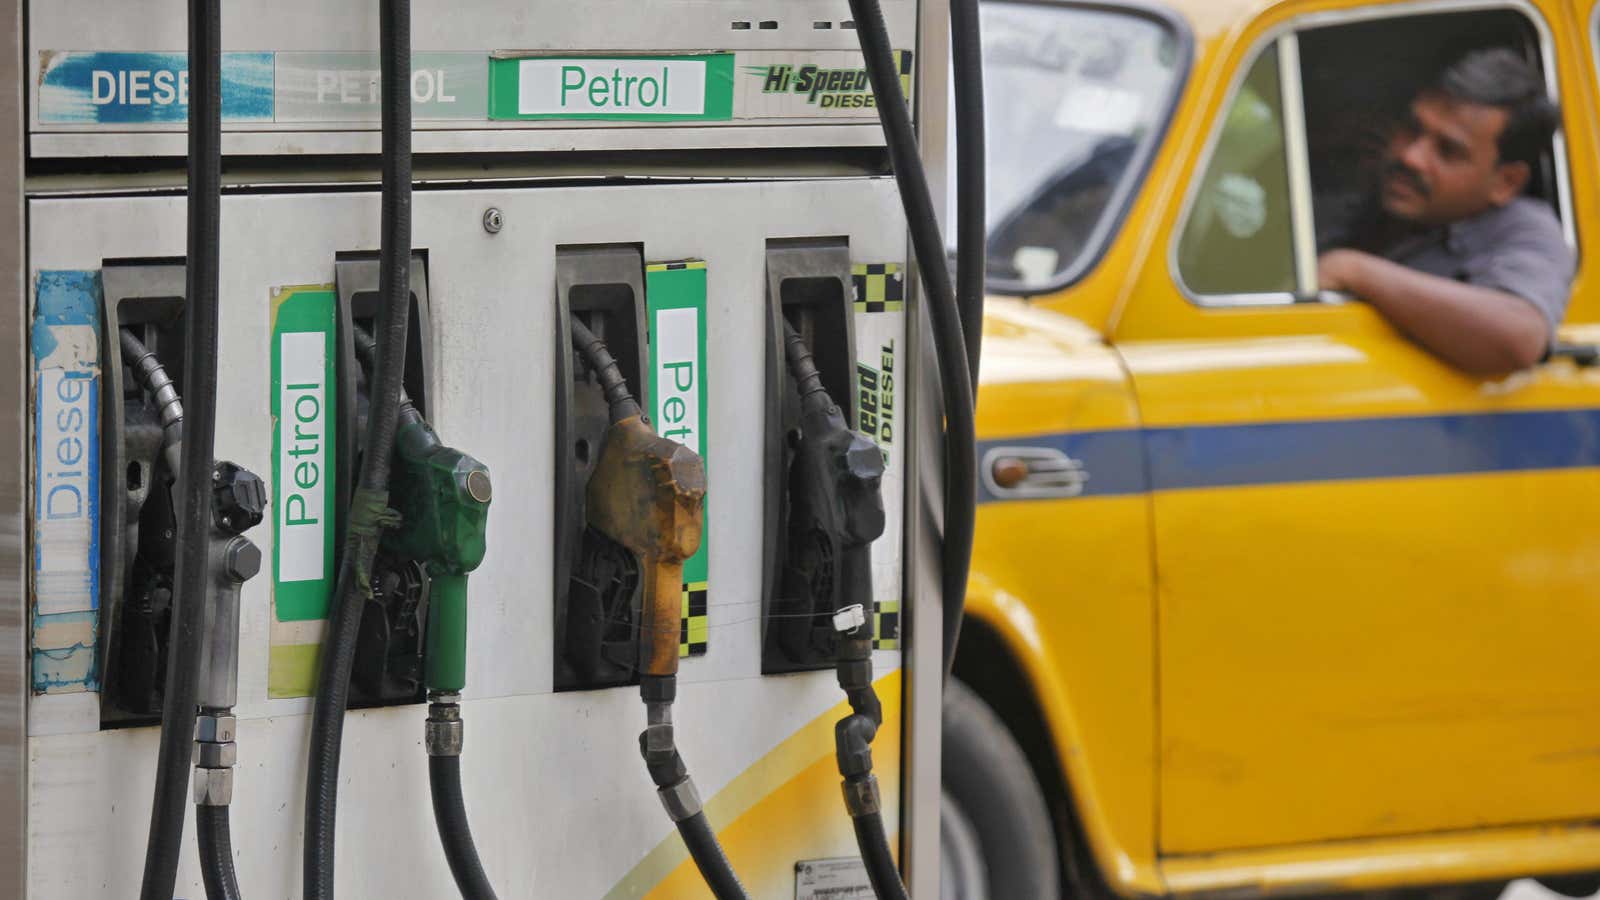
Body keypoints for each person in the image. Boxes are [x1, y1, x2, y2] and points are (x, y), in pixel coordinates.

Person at [1317, 48, 1573, 375]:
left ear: (1506, 182)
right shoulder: (1356, 204)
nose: (1412, 157)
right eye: (1412, 128)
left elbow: (1518, 337)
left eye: (1448, 151)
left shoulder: (1523, 229)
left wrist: (1354, 271)